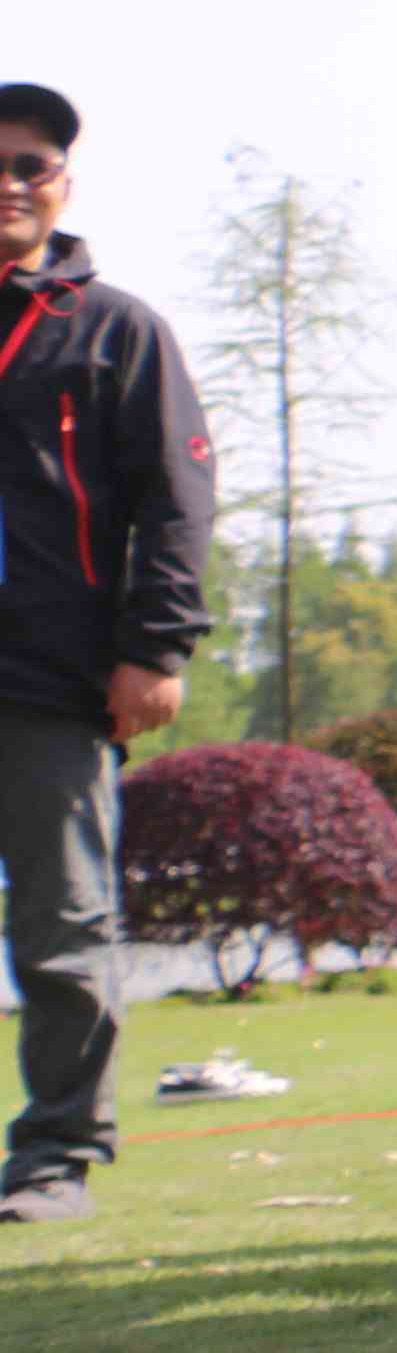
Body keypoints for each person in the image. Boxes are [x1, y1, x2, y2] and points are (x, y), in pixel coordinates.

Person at [0, 85, 212, 1227]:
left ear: (62, 183)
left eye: (29, 164)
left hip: (51, 681)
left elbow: (174, 503)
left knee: (63, 930)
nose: (9, 183)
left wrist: (157, 646)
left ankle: (55, 1158)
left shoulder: (114, 328)